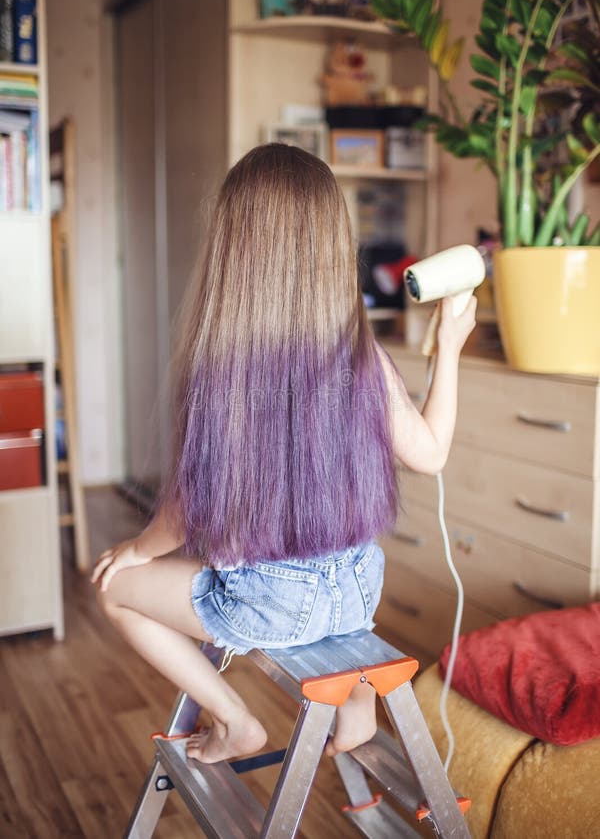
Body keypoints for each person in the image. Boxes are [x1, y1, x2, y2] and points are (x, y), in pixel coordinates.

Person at [91, 143, 476, 765]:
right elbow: (430, 454)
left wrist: (133, 550)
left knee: (116, 590)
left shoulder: (225, 372)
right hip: (358, 590)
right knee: (287, 571)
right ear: (331, 248)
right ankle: (355, 704)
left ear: (234, 250)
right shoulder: (363, 357)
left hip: (274, 607)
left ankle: (235, 720)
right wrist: (451, 346)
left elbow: (189, 510)